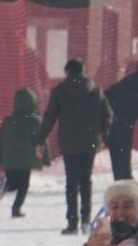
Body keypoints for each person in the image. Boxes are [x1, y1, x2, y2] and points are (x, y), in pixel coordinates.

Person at [38, 58, 113, 235]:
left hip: (69, 142)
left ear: (67, 72)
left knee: (72, 183)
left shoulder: (60, 91)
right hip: (90, 142)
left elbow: (50, 116)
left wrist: (40, 139)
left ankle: (72, 222)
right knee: (86, 181)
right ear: (83, 70)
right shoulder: (95, 90)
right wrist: (103, 136)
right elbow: (108, 115)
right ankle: (86, 220)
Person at [0, 88, 47, 218]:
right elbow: (41, 141)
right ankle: (16, 208)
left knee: (13, 182)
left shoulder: (8, 121)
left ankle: (5, 186)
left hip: (9, 159)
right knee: (23, 186)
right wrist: (45, 158)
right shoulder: (35, 121)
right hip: (25, 160)